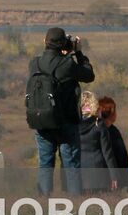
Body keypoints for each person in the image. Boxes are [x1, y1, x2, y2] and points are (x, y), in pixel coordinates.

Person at [26, 26, 95, 196]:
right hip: (67, 122)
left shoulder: (34, 63)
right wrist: (78, 53)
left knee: (45, 164)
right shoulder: (67, 64)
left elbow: (51, 65)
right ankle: (74, 202)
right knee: (71, 165)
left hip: (42, 120)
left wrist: (63, 53)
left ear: (44, 41)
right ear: (63, 43)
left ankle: (44, 200)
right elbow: (89, 75)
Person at [79, 93, 128, 194]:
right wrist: (114, 175)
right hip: (99, 171)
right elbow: (107, 153)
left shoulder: (73, 125)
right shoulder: (99, 125)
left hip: (79, 172)